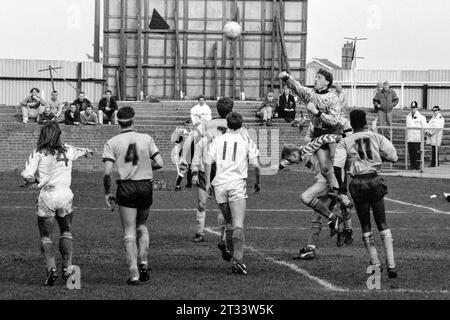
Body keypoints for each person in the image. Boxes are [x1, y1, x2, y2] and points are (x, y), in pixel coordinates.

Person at [20, 122, 93, 286]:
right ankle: (68, 271)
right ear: (58, 135)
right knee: (66, 231)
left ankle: (51, 269)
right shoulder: (68, 149)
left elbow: (26, 174)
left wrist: (36, 180)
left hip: (48, 196)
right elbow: (82, 151)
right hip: (66, 195)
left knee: (46, 236)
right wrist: (88, 152)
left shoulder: (39, 152)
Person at [103, 106, 164, 285]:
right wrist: (144, 166)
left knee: (129, 231)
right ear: (134, 120)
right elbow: (159, 162)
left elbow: (107, 174)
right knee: (141, 225)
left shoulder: (112, 142)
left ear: (117, 122)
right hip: (145, 186)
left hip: (126, 187)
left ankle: (134, 273)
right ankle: (144, 263)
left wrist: (107, 193)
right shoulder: (146, 138)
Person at [334, 109, 398, 278]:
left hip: (357, 183)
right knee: (382, 222)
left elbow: (337, 167)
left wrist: (342, 190)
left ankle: (375, 261)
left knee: (365, 225)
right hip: (375, 180)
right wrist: (380, 158)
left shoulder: (345, 142)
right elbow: (393, 156)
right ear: (365, 122)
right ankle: (391, 264)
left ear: (351, 124)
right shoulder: (376, 137)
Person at [205, 112, 260, 275]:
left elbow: (208, 162)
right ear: (242, 125)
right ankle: (238, 260)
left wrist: (208, 183)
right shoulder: (246, 139)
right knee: (237, 223)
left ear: (227, 125)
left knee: (228, 223)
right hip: (236, 183)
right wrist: (258, 182)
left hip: (220, 185)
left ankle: (232, 253)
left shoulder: (218, 139)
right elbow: (256, 165)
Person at [279, 69, 342, 197]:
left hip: (333, 132)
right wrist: (286, 78)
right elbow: (297, 87)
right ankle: (335, 191)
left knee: (337, 162)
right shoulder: (310, 94)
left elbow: (334, 120)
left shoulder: (333, 97)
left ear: (327, 82)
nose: (315, 79)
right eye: (315, 77)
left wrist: (316, 111)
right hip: (318, 133)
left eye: (319, 77)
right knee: (324, 169)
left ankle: (342, 191)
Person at [182, 97, 234, 251]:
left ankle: (224, 237)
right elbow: (199, 145)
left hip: (223, 170)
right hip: (207, 169)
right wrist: (195, 170)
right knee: (204, 203)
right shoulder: (208, 125)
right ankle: (200, 232)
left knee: (220, 206)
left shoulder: (234, 126)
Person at [170, 120, 194, 191]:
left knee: (191, 169)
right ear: (185, 126)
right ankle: (177, 185)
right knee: (183, 170)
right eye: (187, 125)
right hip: (184, 154)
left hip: (194, 153)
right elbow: (177, 144)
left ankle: (189, 185)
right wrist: (176, 153)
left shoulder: (195, 134)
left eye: (190, 125)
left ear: (192, 126)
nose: (189, 127)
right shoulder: (182, 134)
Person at [406, 101, 427, 170]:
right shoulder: (408, 116)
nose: (413, 109)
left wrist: (424, 136)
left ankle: (417, 165)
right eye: (412, 108)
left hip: (417, 138)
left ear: (417, 108)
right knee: (411, 152)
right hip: (410, 137)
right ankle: (412, 165)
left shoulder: (421, 117)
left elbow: (425, 127)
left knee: (417, 153)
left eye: (414, 108)